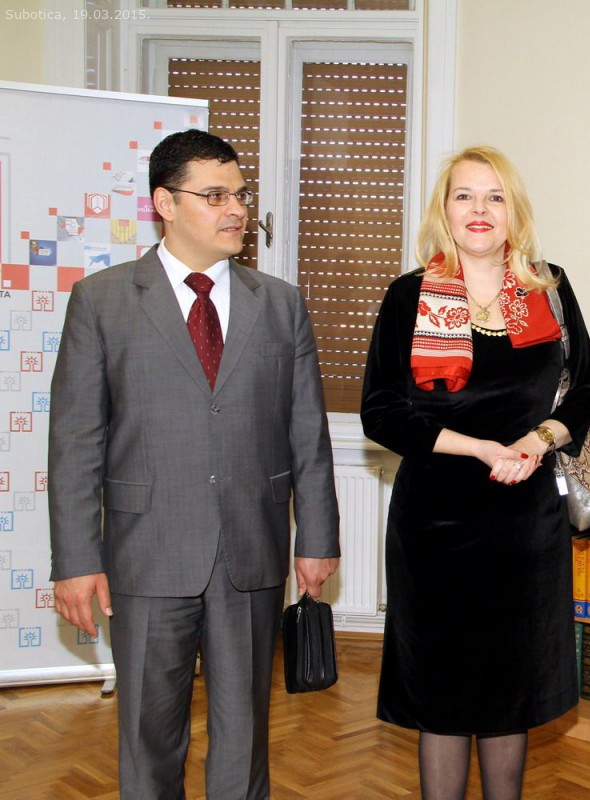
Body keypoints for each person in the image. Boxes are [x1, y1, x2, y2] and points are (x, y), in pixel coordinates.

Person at [48, 129, 341, 800]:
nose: (236, 209)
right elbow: (75, 442)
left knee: (245, 732)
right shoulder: (102, 301)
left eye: (240, 194)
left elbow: (307, 431)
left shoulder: (280, 303)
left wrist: (317, 538)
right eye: (215, 196)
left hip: (251, 549)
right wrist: (76, 560)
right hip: (145, 552)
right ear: (165, 203)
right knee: (149, 734)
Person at [361, 145, 590, 800]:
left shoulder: (548, 288)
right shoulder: (410, 295)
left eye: (495, 196)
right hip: (434, 527)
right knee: (441, 692)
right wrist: (480, 448)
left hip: (525, 526)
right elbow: (381, 412)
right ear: (444, 209)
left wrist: (535, 439)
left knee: (507, 691)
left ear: (513, 210)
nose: (479, 209)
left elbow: (584, 394)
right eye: (464, 195)